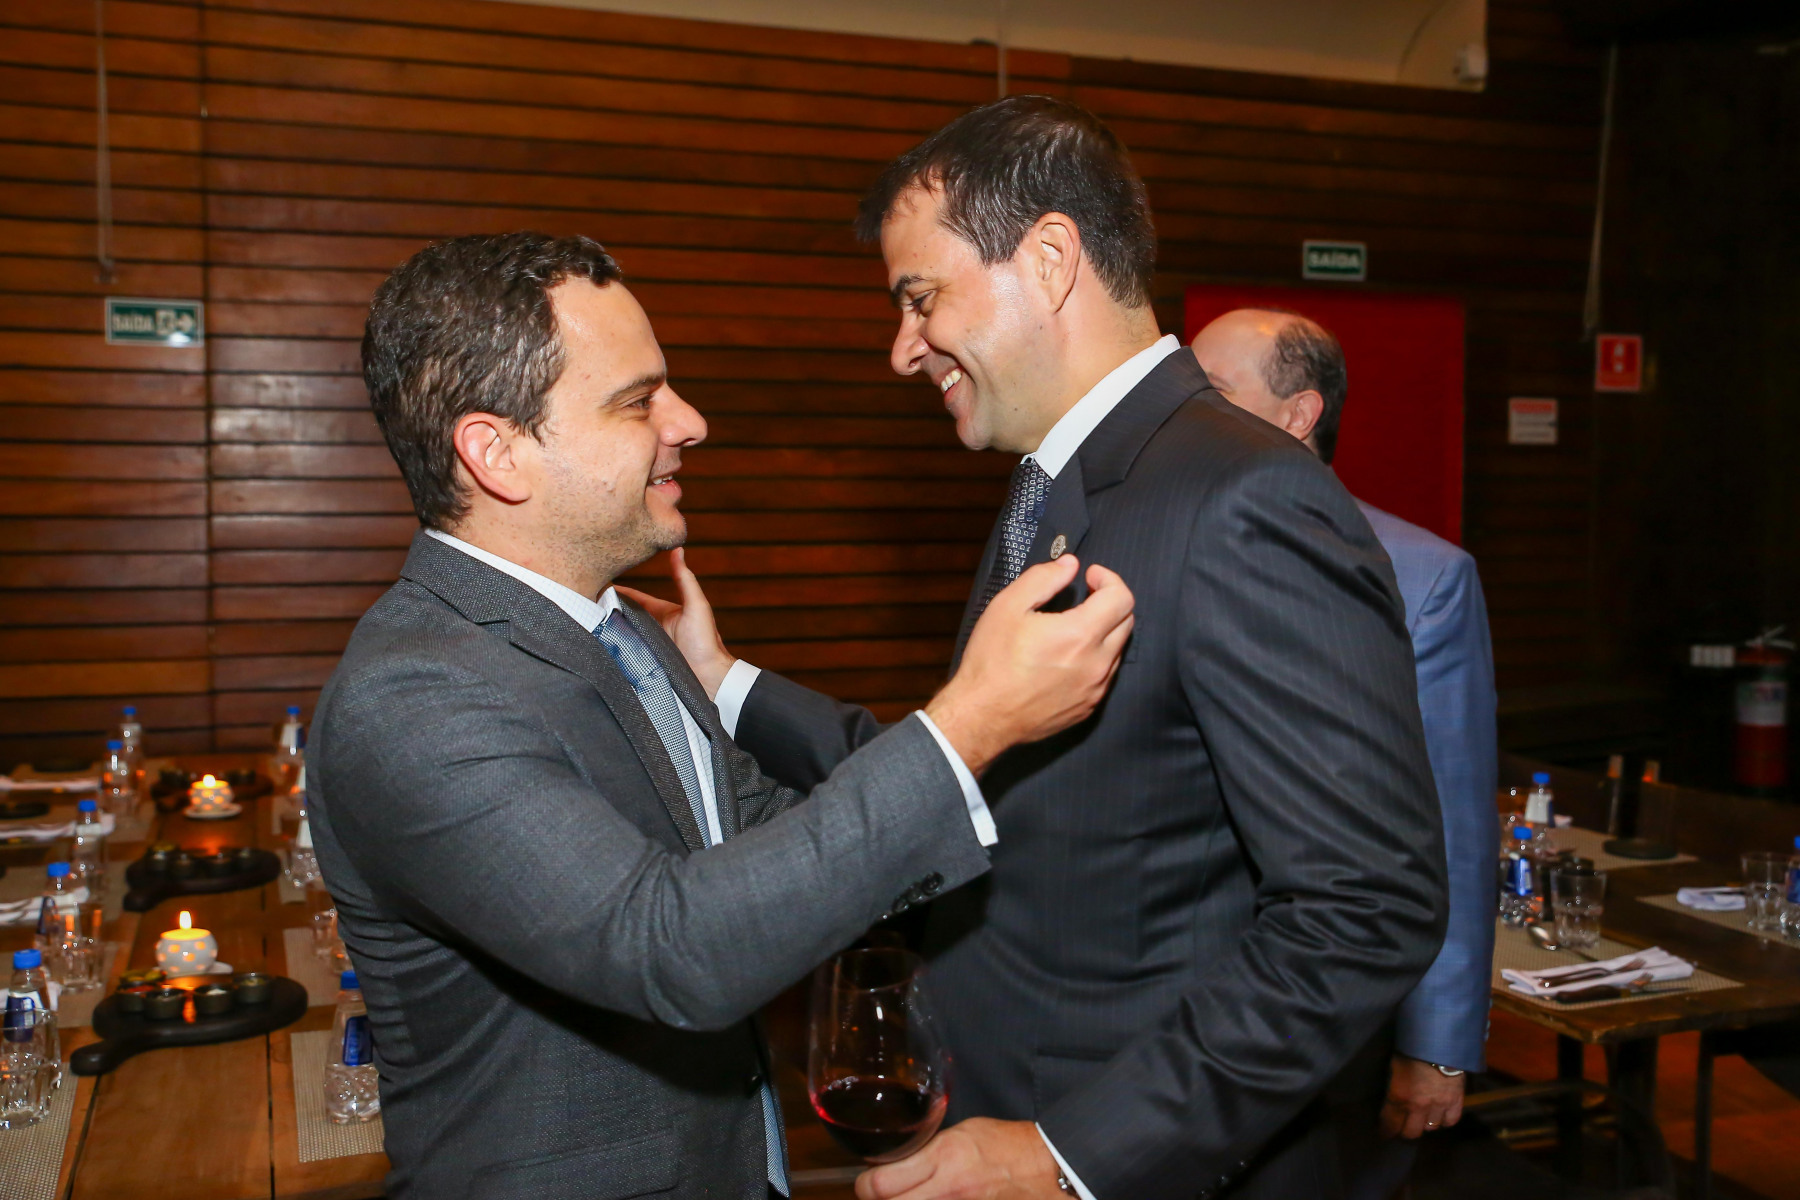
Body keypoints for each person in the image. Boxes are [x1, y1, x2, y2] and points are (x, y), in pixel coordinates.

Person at [638, 97, 1447, 1200]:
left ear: (1051, 259)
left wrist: (1068, 1158)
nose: (902, 349)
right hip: (997, 1104)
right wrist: (720, 680)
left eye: (920, 298)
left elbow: (1365, 911)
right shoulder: (1056, 483)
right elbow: (983, 776)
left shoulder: (1242, 495)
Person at [304, 232, 1136, 1199]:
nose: (689, 422)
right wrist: (967, 724)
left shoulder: (620, 627)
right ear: (498, 454)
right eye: (638, 401)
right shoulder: (411, 696)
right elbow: (672, 950)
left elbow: (762, 841)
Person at [1192, 308, 1499, 1197]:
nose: (1184, 414)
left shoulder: (1423, 576)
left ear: (1298, 414)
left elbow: (1450, 824)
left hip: (1336, 1010)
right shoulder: (1154, 540)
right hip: (1176, 1005)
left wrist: (1435, 1045)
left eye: (1212, 393)